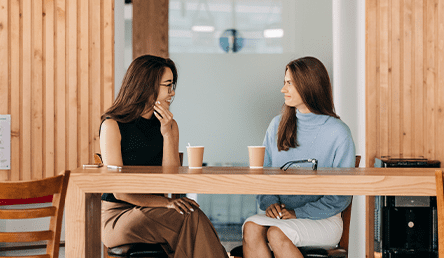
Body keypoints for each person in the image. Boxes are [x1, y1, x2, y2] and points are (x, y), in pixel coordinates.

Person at [100, 55, 228, 258]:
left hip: (158, 211)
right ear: (146, 86)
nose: (172, 92)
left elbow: (172, 185)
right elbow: (120, 193)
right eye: (167, 86)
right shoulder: (112, 125)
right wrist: (165, 203)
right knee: (191, 219)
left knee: (191, 218)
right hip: (118, 216)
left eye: (172, 85)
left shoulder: (169, 126)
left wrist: (167, 134)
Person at [242, 56, 356, 258]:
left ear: (308, 86)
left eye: (289, 83)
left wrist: (298, 213)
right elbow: (264, 175)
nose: (283, 89)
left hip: (324, 220)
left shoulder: (338, 132)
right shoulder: (277, 125)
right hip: (283, 217)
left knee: (276, 233)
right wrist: (270, 203)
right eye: (284, 82)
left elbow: (341, 195)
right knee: (251, 227)